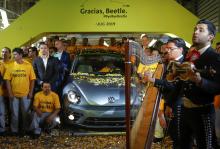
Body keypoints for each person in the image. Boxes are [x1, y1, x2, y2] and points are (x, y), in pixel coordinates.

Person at [4, 48, 36, 136]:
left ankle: (24, 130)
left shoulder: (28, 65)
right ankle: (14, 131)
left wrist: (31, 92)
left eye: (15, 54)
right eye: (13, 54)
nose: (14, 56)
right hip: (14, 94)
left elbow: (32, 79)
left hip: (25, 94)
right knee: (14, 114)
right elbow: (7, 80)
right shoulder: (11, 66)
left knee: (25, 113)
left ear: (21, 55)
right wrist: (10, 93)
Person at [0, 47, 12, 136]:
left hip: (11, 91)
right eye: (2, 52)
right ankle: (2, 129)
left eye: (6, 52)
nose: (4, 53)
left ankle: (12, 127)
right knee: (1, 111)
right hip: (0, 92)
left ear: (10, 54)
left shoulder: (13, 64)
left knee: (11, 111)